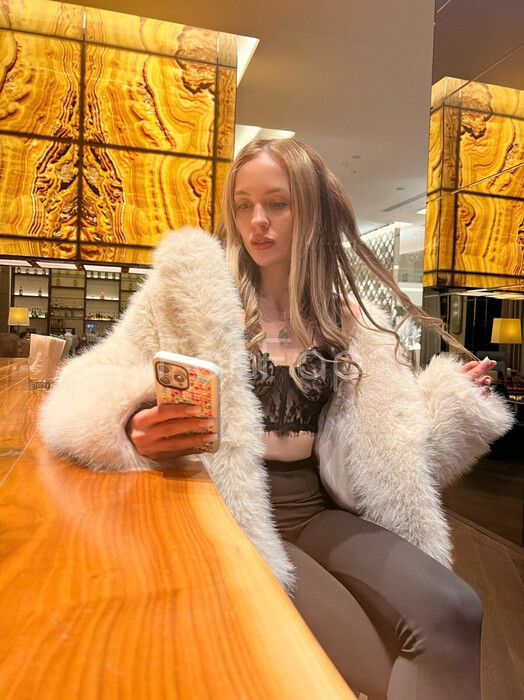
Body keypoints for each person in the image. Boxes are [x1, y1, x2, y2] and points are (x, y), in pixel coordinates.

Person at [39, 138, 513, 700]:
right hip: (232, 512)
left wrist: (451, 399)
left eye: (277, 203)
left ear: (309, 208)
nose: (257, 221)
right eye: (243, 205)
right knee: (373, 661)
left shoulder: (348, 319)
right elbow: (80, 390)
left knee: (457, 608)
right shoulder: (192, 298)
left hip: (319, 509)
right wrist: (126, 424)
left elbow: (397, 450)